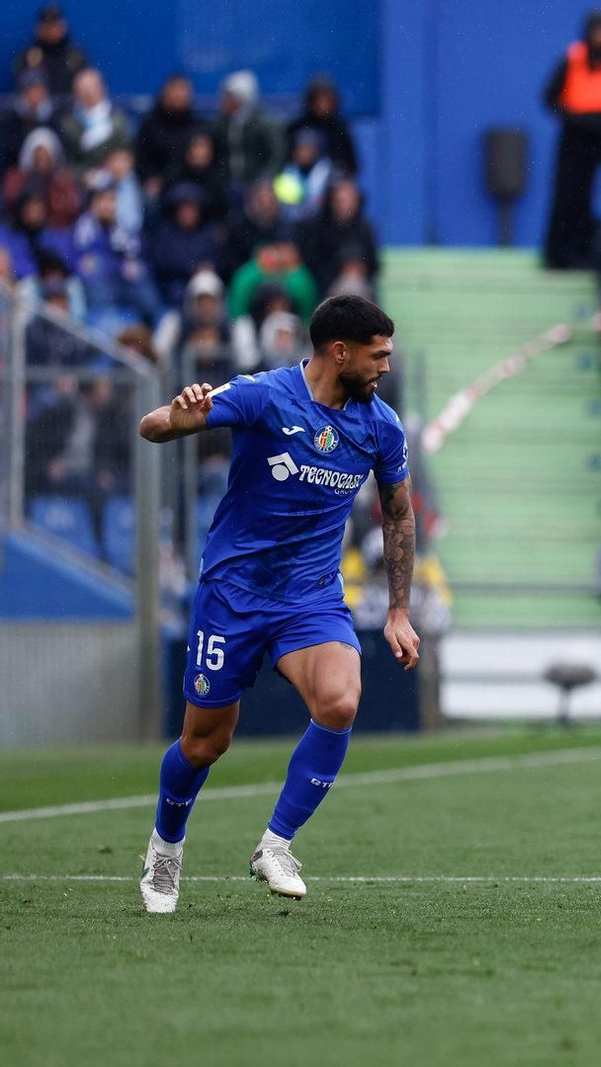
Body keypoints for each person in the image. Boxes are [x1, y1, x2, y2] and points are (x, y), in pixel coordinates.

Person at [132, 295, 419, 915]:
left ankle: (276, 843)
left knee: (341, 699)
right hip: (233, 592)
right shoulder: (263, 395)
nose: (385, 367)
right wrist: (178, 414)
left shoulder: (381, 425)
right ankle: (165, 847)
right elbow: (152, 427)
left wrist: (398, 610)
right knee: (206, 743)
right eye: (378, 356)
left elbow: (398, 511)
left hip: (310, 596)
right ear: (339, 352)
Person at [542, 10, 601, 270]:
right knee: (565, 195)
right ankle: (556, 253)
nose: (600, 37)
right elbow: (549, 97)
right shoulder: (573, 59)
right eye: (596, 31)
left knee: (586, 197)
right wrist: (572, 117)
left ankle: (579, 252)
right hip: (573, 137)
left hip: (597, 139)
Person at [12, 5, 89, 98]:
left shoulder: (76, 55)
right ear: (39, 28)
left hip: (71, 108)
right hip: (39, 110)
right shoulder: (28, 55)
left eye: (55, 25)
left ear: (63, 26)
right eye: (48, 26)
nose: (52, 30)